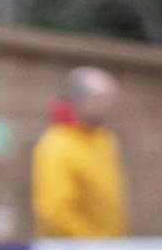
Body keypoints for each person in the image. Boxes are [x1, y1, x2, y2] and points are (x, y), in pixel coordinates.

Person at [31, 66, 129, 238]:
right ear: (82, 100)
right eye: (103, 99)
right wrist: (92, 242)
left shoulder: (104, 139)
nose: (110, 106)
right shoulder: (57, 143)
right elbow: (55, 209)